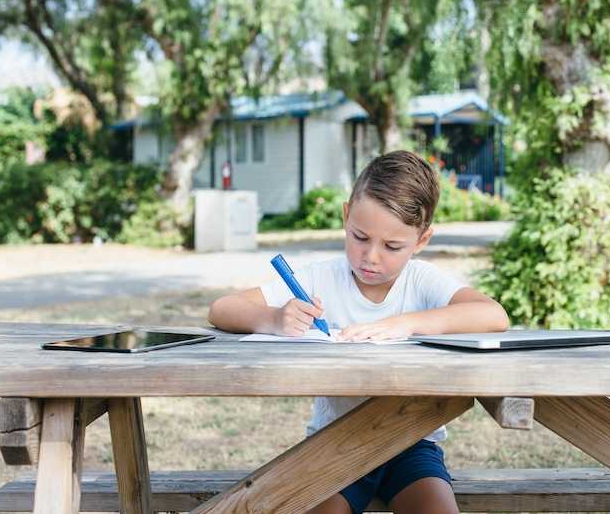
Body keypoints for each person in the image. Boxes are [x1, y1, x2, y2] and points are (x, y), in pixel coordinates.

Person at [208, 150, 510, 514]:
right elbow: (221, 308)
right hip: (335, 443)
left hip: (411, 443)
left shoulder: (421, 281)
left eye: (393, 246)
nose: (371, 256)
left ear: (422, 240)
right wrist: (273, 319)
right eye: (360, 237)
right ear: (346, 215)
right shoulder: (320, 277)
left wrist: (404, 323)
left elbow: (493, 314)